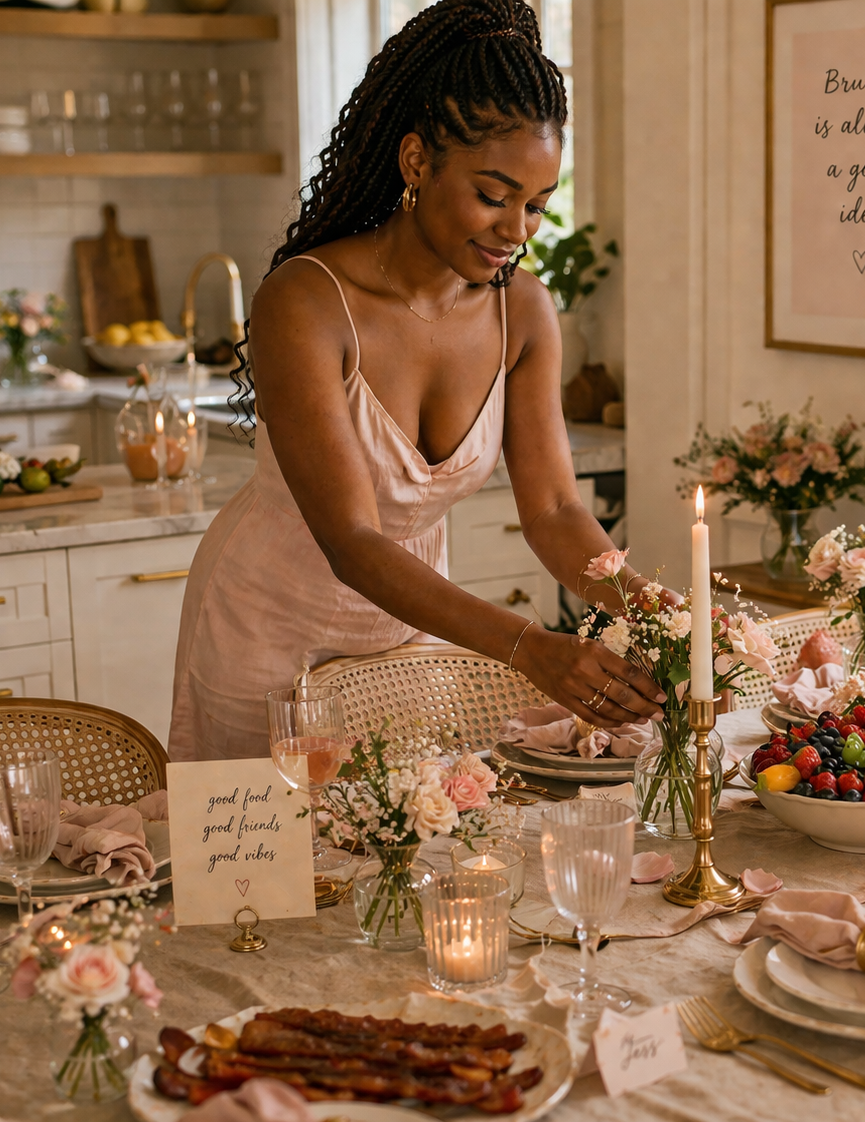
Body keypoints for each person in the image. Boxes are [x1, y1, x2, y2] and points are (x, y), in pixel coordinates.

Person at [168, 0, 664, 761]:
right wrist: (531, 647)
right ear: (416, 163)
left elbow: (557, 508)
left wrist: (663, 620)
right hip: (266, 634)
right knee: (270, 871)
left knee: (413, 857)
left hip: (411, 634)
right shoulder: (305, 303)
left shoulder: (523, 313)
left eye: (536, 206)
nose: (516, 230)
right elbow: (353, 539)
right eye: (493, 197)